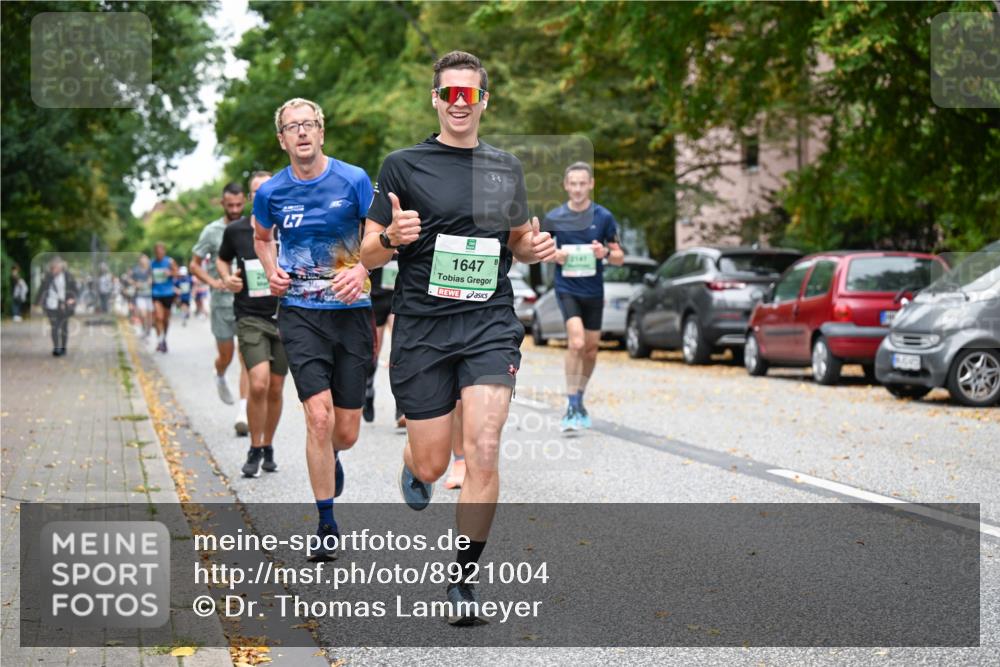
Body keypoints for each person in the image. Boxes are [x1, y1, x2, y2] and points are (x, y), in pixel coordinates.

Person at [360, 50, 556, 624]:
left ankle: (463, 579)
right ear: (436, 100)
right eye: (450, 93)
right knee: (431, 464)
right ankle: (414, 462)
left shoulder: (505, 168)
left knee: (484, 446)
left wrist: (533, 247)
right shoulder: (403, 166)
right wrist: (392, 238)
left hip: (488, 322)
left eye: (470, 94)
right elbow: (366, 254)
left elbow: (517, 241)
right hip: (423, 326)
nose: (460, 103)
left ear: (484, 101)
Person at [253, 97, 374, 560]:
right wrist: (271, 269)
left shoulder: (354, 179)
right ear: (282, 139)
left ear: (321, 132)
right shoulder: (271, 192)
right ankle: (326, 523)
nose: (301, 132)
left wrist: (361, 268)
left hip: (351, 311)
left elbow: (379, 237)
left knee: (345, 432)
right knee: (318, 418)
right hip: (300, 312)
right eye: (292, 127)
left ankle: (334, 455)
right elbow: (262, 237)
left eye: (309, 124)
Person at [542, 162, 625, 430]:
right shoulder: (555, 217)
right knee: (576, 343)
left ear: (591, 184)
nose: (577, 189)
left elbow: (619, 257)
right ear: (566, 186)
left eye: (582, 183)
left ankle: (579, 397)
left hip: (594, 291)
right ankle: (571, 403)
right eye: (573, 184)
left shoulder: (604, 217)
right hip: (567, 289)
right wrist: (555, 255)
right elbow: (538, 250)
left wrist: (605, 254)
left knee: (590, 349)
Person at [218, 171, 288, 478]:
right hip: (249, 316)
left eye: (269, 189)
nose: (264, 194)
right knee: (258, 382)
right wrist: (227, 278)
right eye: (257, 191)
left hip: (285, 316)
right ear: (251, 198)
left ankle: (268, 444)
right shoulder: (235, 231)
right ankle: (255, 447)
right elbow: (222, 259)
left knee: (275, 388)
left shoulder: (289, 227)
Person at [190, 183, 251, 436]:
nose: (235, 210)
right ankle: (219, 373)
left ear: (244, 202)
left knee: (247, 357)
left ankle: (244, 412)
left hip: (247, 303)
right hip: (221, 304)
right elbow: (194, 264)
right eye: (230, 205)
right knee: (226, 355)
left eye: (239, 205)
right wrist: (213, 282)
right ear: (222, 203)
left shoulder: (251, 227)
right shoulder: (211, 231)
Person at [35, 256, 78, 356]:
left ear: (61, 267)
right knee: (54, 327)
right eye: (52, 268)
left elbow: (75, 290)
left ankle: (63, 348)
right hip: (51, 305)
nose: (54, 270)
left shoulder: (68, 276)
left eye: (56, 268)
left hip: (64, 306)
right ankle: (56, 348)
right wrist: (36, 303)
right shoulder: (48, 277)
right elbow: (41, 289)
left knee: (64, 328)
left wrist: (72, 299)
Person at [150, 242, 178, 353]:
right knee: (159, 317)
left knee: (165, 319)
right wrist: (149, 279)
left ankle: (164, 338)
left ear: (164, 252)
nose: (159, 254)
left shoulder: (169, 261)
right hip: (156, 293)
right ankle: (160, 341)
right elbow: (147, 276)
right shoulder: (151, 263)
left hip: (168, 293)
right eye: (157, 252)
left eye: (161, 252)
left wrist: (170, 273)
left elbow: (177, 273)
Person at [129, 254, 153, 339]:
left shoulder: (151, 269)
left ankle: (148, 329)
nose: (144, 261)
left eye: (145, 259)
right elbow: (130, 279)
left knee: (150, 314)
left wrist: (151, 281)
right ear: (140, 261)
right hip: (140, 295)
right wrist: (135, 283)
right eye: (142, 259)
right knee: (143, 314)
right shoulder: (136, 270)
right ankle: (144, 328)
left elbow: (154, 278)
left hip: (150, 295)